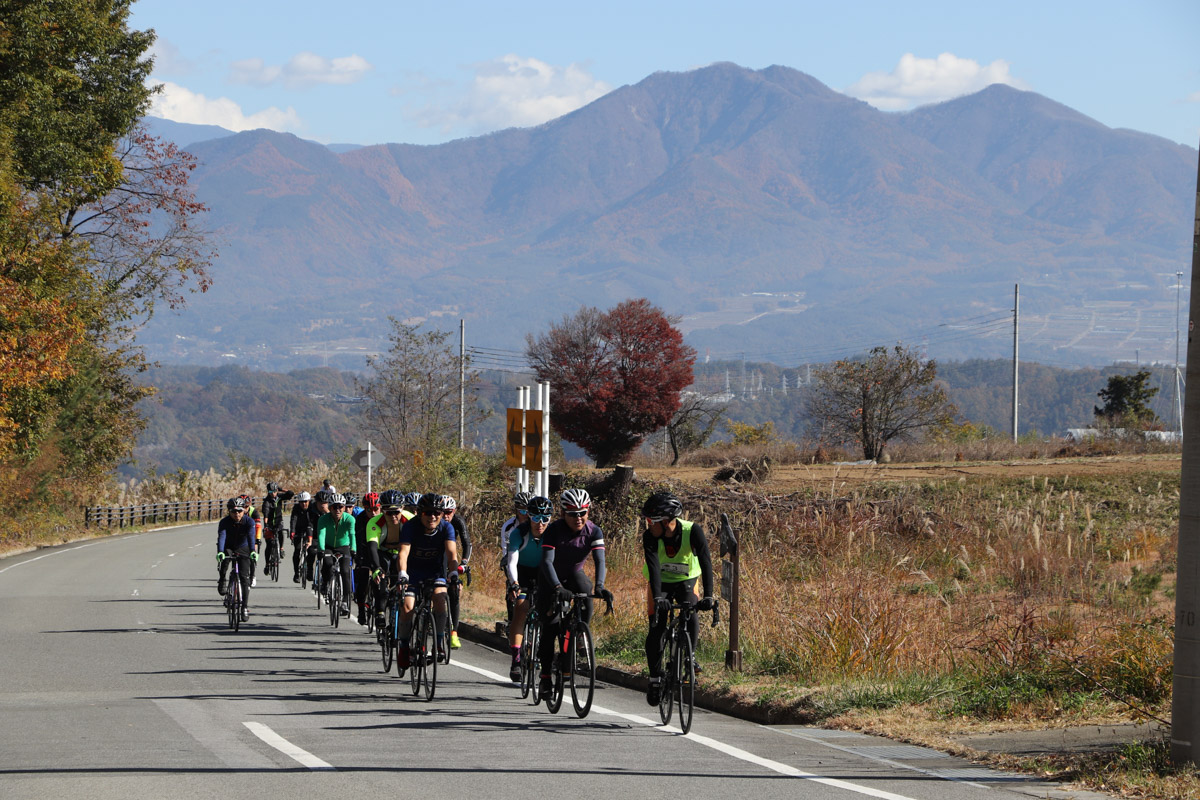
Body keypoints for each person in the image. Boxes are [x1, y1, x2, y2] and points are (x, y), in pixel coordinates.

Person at [641, 490, 715, 706]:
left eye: (650, 521)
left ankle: (689, 656)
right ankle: (655, 678)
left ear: (665, 521)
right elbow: (654, 568)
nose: (647, 525)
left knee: (690, 611)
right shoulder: (650, 537)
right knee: (656, 627)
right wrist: (657, 597)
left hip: (687, 581)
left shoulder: (693, 531)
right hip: (660, 583)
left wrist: (709, 595)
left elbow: (706, 562)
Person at [537, 488, 611, 697]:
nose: (578, 518)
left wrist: (600, 586)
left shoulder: (594, 531)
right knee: (549, 628)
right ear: (562, 513)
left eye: (582, 512)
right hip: (550, 578)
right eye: (572, 513)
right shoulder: (553, 530)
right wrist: (557, 588)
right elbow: (546, 561)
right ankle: (545, 677)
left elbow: (600, 560)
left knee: (586, 593)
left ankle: (578, 632)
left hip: (574, 574)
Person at [395, 493, 458, 674]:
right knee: (407, 606)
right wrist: (402, 574)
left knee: (440, 599)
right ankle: (405, 646)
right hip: (413, 573)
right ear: (420, 513)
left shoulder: (447, 528)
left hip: (435, 571)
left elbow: (452, 553)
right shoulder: (411, 527)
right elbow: (403, 553)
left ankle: (438, 643)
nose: (432, 517)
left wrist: (453, 573)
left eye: (437, 513)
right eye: (428, 513)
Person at [504, 495, 550, 681]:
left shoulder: (552, 533)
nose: (540, 523)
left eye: (544, 519)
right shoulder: (519, 533)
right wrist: (514, 583)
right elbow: (512, 562)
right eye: (535, 517)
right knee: (521, 607)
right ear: (529, 517)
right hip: (522, 573)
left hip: (543, 573)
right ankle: (516, 660)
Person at [364, 491, 407, 629]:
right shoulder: (374, 522)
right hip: (382, 552)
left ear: (403, 509)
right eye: (389, 513)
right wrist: (376, 568)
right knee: (382, 576)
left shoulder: (410, 520)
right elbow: (372, 547)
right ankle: (380, 612)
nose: (394, 516)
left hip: (401, 552)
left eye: (396, 512)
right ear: (382, 511)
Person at [216, 497, 257, 621]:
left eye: (239, 511)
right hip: (228, 546)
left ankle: (244, 607)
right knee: (224, 562)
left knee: (244, 578)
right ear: (229, 511)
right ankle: (223, 579)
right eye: (233, 512)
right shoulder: (224, 522)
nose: (237, 514)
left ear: (244, 510)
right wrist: (220, 552)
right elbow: (222, 537)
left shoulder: (249, 522)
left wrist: (253, 552)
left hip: (243, 547)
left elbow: (251, 538)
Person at [316, 492, 356, 616]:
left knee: (345, 570)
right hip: (328, 546)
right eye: (334, 507)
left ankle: (345, 600)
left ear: (344, 507)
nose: (338, 510)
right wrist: (321, 549)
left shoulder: (349, 519)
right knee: (327, 563)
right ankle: (325, 582)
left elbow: (352, 535)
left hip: (343, 546)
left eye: (341, 507)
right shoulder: (323, 519)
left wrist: (353, 549)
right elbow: (321, 535)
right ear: (330, 507)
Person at [500, 491, 532, 631]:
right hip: (512, 557)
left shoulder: (537, 524)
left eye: (528, 510)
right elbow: (506, 552)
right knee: (511, 586)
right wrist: (513, 582)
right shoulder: (508, 526)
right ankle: (511, 620)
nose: (525, 514)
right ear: (516, 510)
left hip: (531, 561)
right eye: (522, 510)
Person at [442, 495, 471, 649]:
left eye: (449, 512)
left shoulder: (458, 521)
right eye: (443, 512)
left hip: (450, 559)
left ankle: (454, 632)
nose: (446, 515)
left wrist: (464, 563)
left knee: (455, 590)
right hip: (435, 559)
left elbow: (467, 543)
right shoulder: (434, 522)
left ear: (454, 511)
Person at [353, 491, 382, 625]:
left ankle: (380, 609)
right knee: (362, 578)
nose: (373, 513)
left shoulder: (383, 518)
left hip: (379, 550)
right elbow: (358, 540)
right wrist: (358, 557)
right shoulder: (360, 519)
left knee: (380, 580)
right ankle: (360, 609)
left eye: (376, 509)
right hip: (364, 550)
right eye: (369, 510)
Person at [261, 482, 294, 577]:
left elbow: (291, 494)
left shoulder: (279, 497)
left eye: (275, 491)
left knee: (281, 532)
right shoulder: (266, 502)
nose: (273, 493)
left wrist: (281, 489)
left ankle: (281, 548)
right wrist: (266, 525)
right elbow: (266, 515)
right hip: (270, 523)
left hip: (279, 521)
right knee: (269, 544)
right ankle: (267, 564)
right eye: (271, 491)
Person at [305, 490, 330, 588]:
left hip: (328, 536)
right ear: (316, 503)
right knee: (311, 551)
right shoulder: (311, 510)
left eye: (325, 503)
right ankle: (310, 569)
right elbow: (309, 526)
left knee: (327, 557)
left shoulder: (331, 511)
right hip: (315, 535)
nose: (322, 505)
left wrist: (327, 512)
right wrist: (309, 541)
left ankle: (325, 579)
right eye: (320, 503)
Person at [289, 491, 313, 582]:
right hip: (298, 529)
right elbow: (293, 520)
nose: (304, 504)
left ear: (309, 501)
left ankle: (309, 569)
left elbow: (312, 520)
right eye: (301, 502)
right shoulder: (296, 508)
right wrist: (292, 531)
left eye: (305, 501)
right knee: (297, 550)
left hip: (310, 528)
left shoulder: (312, 507)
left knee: (311, 550)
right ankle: (296, 573)